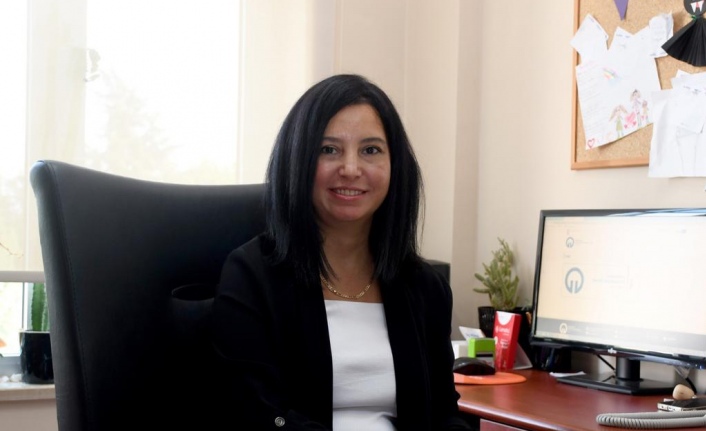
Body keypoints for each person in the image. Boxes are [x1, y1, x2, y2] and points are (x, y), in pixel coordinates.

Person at [211, 74, 472, 430]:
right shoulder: (252, 276)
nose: (350, 169)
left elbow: (443, 413)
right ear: (298, 160)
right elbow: (257, 415)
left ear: (395, 165)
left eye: (371, 150)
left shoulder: (424, 287)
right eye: (329, 149)